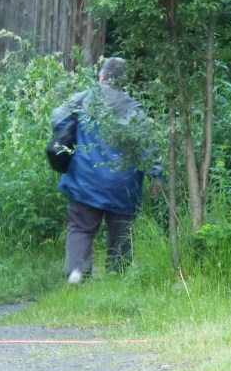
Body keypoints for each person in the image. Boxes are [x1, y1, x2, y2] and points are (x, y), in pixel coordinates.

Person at [51, 57, 161, 284]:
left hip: (85, 179)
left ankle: (77, 272)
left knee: (81, 227)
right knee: (121, 233)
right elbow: (148, 146)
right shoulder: (133, 110)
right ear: (124, 81)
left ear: (101, 77)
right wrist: (157, 176)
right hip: (123, 185)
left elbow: (56, 118)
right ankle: (116, 279)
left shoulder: (83, 99)